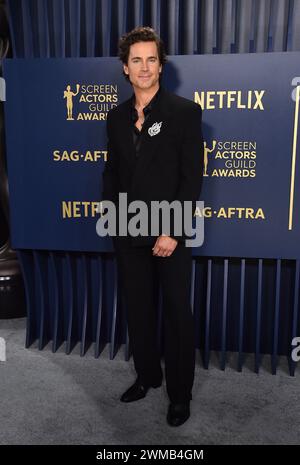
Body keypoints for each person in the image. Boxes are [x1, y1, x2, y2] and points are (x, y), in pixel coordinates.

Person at [102, 26, 204, 427]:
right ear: (125, 69)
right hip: (127, 231)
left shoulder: (184, 112)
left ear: (161, 65)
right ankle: (147, 376)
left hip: (168, 233)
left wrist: (172, 232)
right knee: (139, 311)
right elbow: (112, 174)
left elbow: (190, 178)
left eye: (151, 59)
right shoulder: (115, 117)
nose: (144, 67)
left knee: (178, 314)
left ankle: (180, 396)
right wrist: (113, 220)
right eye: (136, 61)